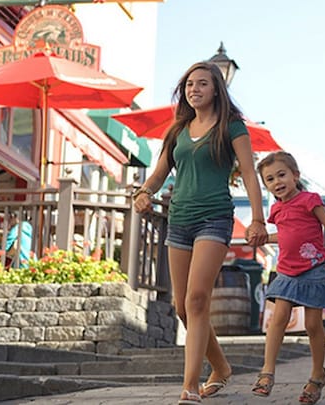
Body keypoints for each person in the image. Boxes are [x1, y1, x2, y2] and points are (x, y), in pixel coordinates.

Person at [133, 62, 267, 405]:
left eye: (202, 84)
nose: (194, 89)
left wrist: (257, 219)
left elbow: (250, 174)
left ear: (216, 90)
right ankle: (220, 367)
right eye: (190, 84)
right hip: (179, 220)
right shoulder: (177, 130)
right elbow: (159, 173)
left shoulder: (232, 127)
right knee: (181, 306)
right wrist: (143, 193)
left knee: (196, 299)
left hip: (215, 218)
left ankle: (189, 385)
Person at [250, 151, 325, 403]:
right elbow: (286, 235)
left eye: (282, 175)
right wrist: (263, 238)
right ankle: (267, 372)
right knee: (278, 318)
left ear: (295, 175)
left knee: (313, 325)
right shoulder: (276, 210)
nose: (277, 182)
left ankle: (317, 375)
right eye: (270, 179)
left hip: (314, 270)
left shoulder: (309, 200)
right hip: (287, 270)